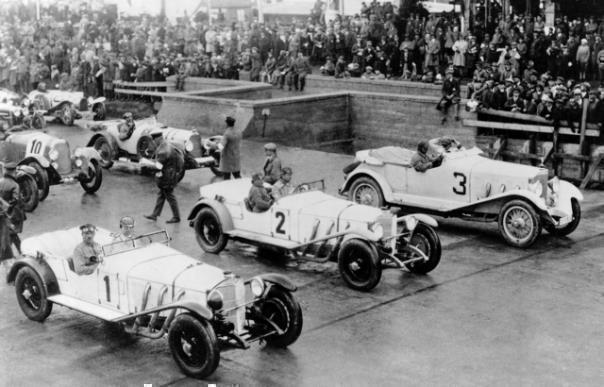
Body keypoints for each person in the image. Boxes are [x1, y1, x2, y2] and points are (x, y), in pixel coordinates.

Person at [144, 138, 184, 223]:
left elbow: (158, 166)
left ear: (157, 139)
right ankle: (155, 215)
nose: (153, 143)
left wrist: (147, 165)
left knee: (170, 196)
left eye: (154, 140)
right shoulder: (167, 145)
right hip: (171, 175)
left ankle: (176, 217)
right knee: (161, 195)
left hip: (167, 177)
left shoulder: (163, 151)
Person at [0, 162, 25, 261]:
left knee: (10, 234)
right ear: (13, 172)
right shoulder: (15, 185)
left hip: (3, 214)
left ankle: (20, 252)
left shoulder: (0, 181)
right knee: (11, 234)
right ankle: (9, 255)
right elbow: (15, 200)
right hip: (13, 214)